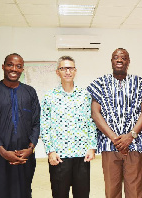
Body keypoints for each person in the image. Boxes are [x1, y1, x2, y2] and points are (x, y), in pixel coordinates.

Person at [87, 48, 142, 198]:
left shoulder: (140, 83)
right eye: (116, 57)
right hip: (109, 144)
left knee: (135, 188)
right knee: (112, 188)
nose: (119, 60)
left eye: (123, 58)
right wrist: (114, 138)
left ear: (128, 62)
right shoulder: (100, 84)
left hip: (135, 144)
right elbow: (95, 113)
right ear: (111, 61)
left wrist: (131, 136)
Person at [0, 53, 40, 198]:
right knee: (0, 191)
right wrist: (3, 152)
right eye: (10, 64)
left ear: (22, 70)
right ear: (3, 67)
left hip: (25, 155)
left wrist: (30, 149)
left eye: (18, 66)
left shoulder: (30, 92)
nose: (14, 69)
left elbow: (36, 122)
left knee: (24, 191)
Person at [40, 56, 97, 198]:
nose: (67, 71)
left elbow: (91, 122)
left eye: (70, 68)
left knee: (82, 194)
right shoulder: (49, 96)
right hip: (59, 156)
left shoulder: (85, 95)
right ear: (57, 72)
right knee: (60, 194)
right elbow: (45, 125)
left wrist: (92, 146)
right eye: (63, 68)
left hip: (81, 155)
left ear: (75, 71)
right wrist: (50, 151)